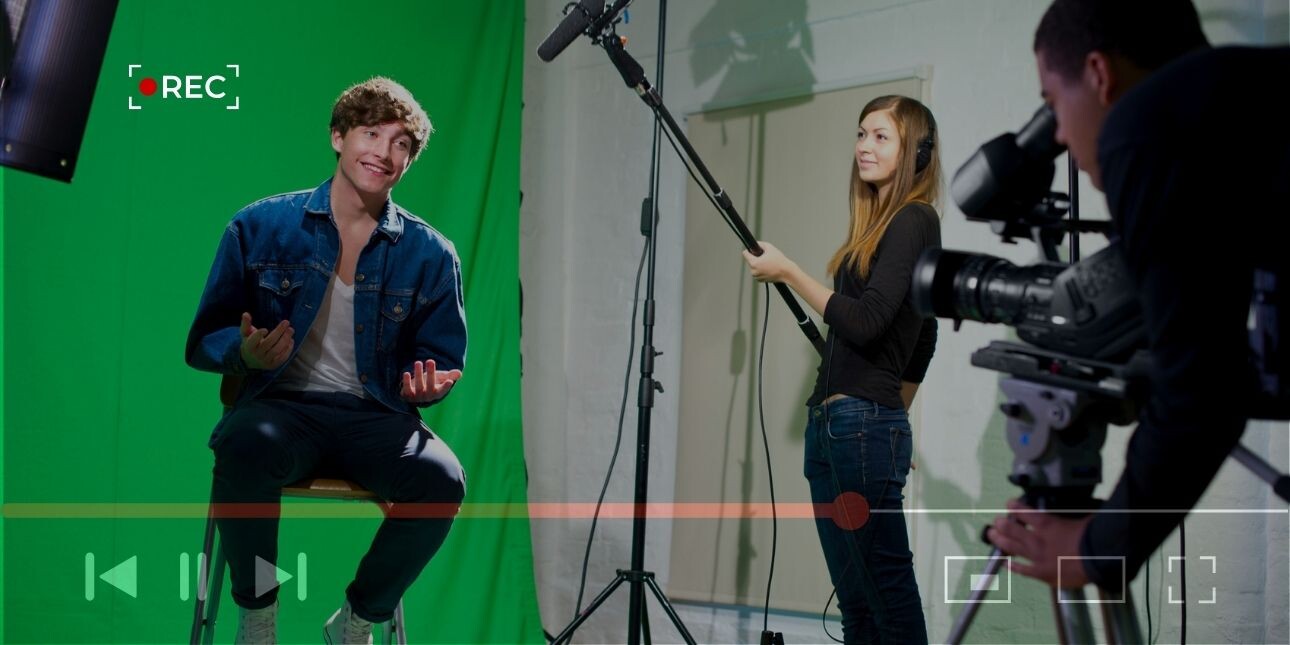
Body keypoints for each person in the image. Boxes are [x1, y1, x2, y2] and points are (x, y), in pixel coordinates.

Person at [987, 0, 1290, 593]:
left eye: (1054, 107)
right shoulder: (1248, 106)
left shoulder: (1148, 121)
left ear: (1100, 74)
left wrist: (1094, 552)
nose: (1063, 137)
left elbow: (1203, 390)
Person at [185, 76, 468, 644]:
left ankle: (358, 621)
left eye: (401, 144)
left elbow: (441, 356)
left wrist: (429, 385)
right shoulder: (259, 225)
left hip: (375, 417)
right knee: (244, 444)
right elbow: (204, 339)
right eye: (371, 134)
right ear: (338, 137)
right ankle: (257, 615)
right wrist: (242, 353)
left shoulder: (432, 254)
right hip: (283, 410)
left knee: (442, 479)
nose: (384, 153)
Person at [743, 95, 942, 644]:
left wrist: (789, 273)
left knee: (888, 601)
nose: (864, 146)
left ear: (916, 154)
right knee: (857, 605)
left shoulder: (914, 219)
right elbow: (923, 334)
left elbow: (872, 321)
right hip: (837, 431)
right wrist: (891, 416)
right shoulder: (877, 228)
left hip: (860, 429)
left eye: (881, 136)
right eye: (860, 134)